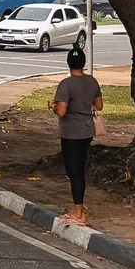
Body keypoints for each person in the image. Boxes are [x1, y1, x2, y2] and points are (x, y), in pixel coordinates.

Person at [51, 48, 103, 225]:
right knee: (79, 169)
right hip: (87, 131)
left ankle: (78, 213)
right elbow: (99, 105)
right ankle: (76, 210)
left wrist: (53, 106)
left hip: (71, 132)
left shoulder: (66, 84)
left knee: (74, 172)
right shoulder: (92, 81)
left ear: (68, 63)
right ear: (83, 63)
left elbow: (62, 112)